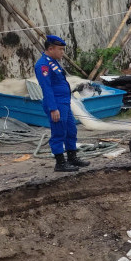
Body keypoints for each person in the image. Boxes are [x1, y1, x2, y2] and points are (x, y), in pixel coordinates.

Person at [34, 34, 90, 172]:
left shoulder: (53, 62)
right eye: (60, 49)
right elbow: (46, 88)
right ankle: (60, 163)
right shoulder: (43, 65)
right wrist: (53, 108)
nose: (62, 53)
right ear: (51, 48)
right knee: (59, 132)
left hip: (64, 102)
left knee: (71, 130)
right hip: (56, 104)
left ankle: (72, 157)